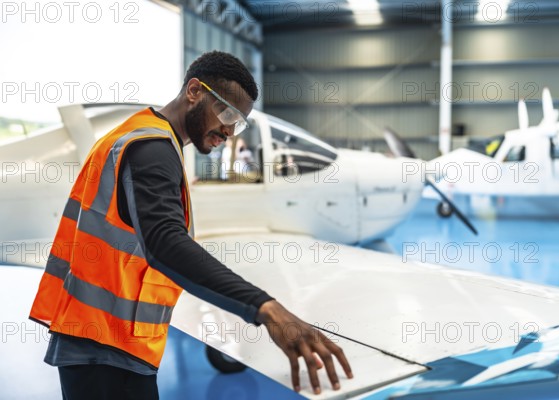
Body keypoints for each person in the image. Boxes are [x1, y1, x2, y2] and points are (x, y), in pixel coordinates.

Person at [29, 50, 352, 399]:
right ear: (194, 91)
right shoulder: (151, 147)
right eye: (227, 113)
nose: (229, 131)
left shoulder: (143, 134)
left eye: (238, 123)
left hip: (107, 342)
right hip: (105, 348)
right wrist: (266, 309)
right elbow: (165, 243)